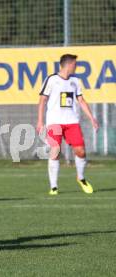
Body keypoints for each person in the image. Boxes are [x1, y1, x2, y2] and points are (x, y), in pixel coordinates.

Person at [37, 54, 99, 195]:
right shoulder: (52, 80)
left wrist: (92, 118)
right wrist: (40, 121)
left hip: (72, 122)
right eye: (75, 64)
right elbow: (42, 101)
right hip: (54, 122)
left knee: (81, 151)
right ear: (68, 64)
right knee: (55, 152)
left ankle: (81, 178)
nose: (76, 67)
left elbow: (81, 101)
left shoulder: (75, 81)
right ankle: (54, 187)